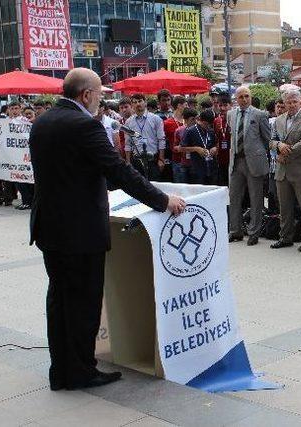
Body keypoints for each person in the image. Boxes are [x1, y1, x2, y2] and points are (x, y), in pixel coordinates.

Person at [29, 67, 185, 391]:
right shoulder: (85, 125)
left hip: (49, 228)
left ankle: (61, 370)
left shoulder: (43, 121)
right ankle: (81, 371)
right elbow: (118, 170)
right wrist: (162, 200)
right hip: (79, 232)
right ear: (86, 95)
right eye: (100, 95)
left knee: (59, 302)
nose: (101, 101)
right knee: (84, 303)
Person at [270, 90, 301, 252]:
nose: (291, 105)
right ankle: (285, 237)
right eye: (288, 102)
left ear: (300, 102)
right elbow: (271, 140)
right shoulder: (278, 120)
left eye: (294, 102)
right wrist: (278, 146)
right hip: (282, 171)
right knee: (284, 207)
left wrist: (285, 155)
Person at [228, 86, 271, 246]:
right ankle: (235, 231)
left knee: (256, 198)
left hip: (254, 161)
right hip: (236, 161)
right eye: (241, 97)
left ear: (251, 97)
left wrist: (262, 157)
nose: (244, 99)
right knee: (234, 198)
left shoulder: (260, 114)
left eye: (247, 96)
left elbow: (267, 138)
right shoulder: (231, 114)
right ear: (236, 99)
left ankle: (254, 232)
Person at [123, 93, 166, 181]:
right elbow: (128, 143)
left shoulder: (156, 119)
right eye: (135, 102)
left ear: (145, 103)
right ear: (132, 105)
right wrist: (128, 162)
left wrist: (161, 159)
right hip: (136, 160)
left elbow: (161, 139)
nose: (138, 104)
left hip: (153, 159)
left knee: (155, 186)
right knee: (139, 188)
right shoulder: (128, 122)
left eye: (140, 101)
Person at [181, 110, 217, 185]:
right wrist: (196, 149)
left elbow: (215, 145)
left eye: (209, 125)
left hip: (211, 168)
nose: (207, 127)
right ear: (200, 121)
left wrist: (214, 148)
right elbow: (181, 148)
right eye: (205, 124)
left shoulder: (211, 131)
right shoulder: (190, 131)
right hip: (196, 169)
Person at [163, 96, 187, 183]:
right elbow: (162, 140)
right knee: (179, 187)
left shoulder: (189, 121)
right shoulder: (167, 123)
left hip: (190, 159)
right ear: (179, 106)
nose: (187, 107)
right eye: (185, 105)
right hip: (177, 159)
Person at [172, 108, 198, 185]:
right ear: (185, 120)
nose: (195, 122)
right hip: (184, 164)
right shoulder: (179, 131)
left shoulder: (199, 130)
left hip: (196, 164)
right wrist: (180, 148)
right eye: (192, 119)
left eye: (196, 119)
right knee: (183, 187)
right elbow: (175, 147)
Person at [213, 95, 232, 186]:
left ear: (230, 105)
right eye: (220, 105)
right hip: (221, 158)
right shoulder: (217, 121)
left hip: (233, 159)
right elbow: (215, 138)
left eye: (225, 105)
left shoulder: (235, 120)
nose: (222, 108)